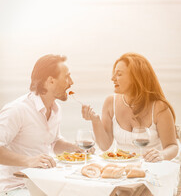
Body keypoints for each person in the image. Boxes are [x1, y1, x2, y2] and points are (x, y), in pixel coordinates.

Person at [0, 54, 82, 195]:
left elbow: (54, 143)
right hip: (17, 187)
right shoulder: (17, 110)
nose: (71, 82)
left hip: (45, 184)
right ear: (50, 81)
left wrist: (74, 148)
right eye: (67, 77)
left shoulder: (56, 109)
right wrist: (29, 161)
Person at [82, 52, 178, 162]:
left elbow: (172, 146)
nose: (112, 78)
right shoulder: (110, 102)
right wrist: (95, 121)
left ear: (136, 77)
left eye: (119, 74)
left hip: (151, 169)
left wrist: (162, 155)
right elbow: (104, 146)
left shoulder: (159, 107)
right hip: (122, 170)